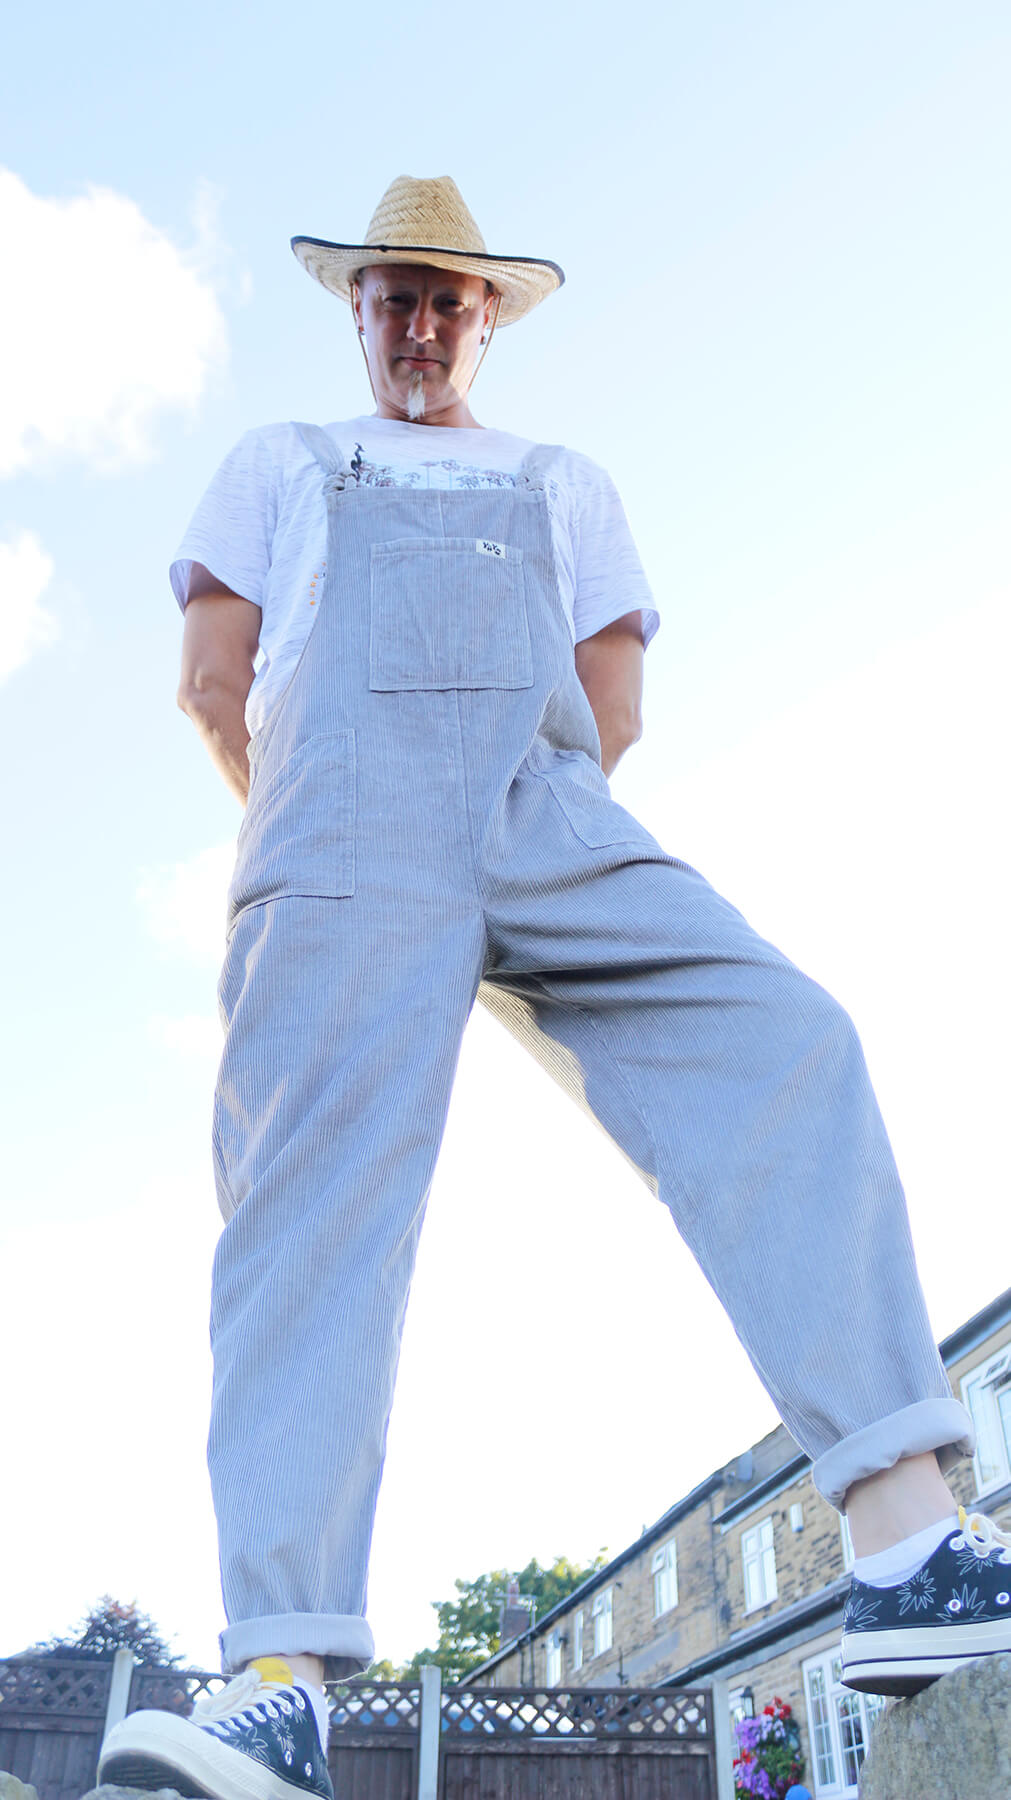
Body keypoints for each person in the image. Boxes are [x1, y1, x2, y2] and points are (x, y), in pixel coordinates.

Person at [99, 176, 1011, 1800]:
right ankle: (280, 1683)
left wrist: (515, 835)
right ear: (355, 310)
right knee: (313, 1208)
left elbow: (612, 696)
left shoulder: (564, 481)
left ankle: (903, 1542)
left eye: (448, 300)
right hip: (337, 825)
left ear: (489, 318)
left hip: (546, 811)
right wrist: (329, 847)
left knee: (785, 1040)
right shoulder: (280, 461)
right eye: (394, 296)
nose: (421, 324)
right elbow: (213, 680)